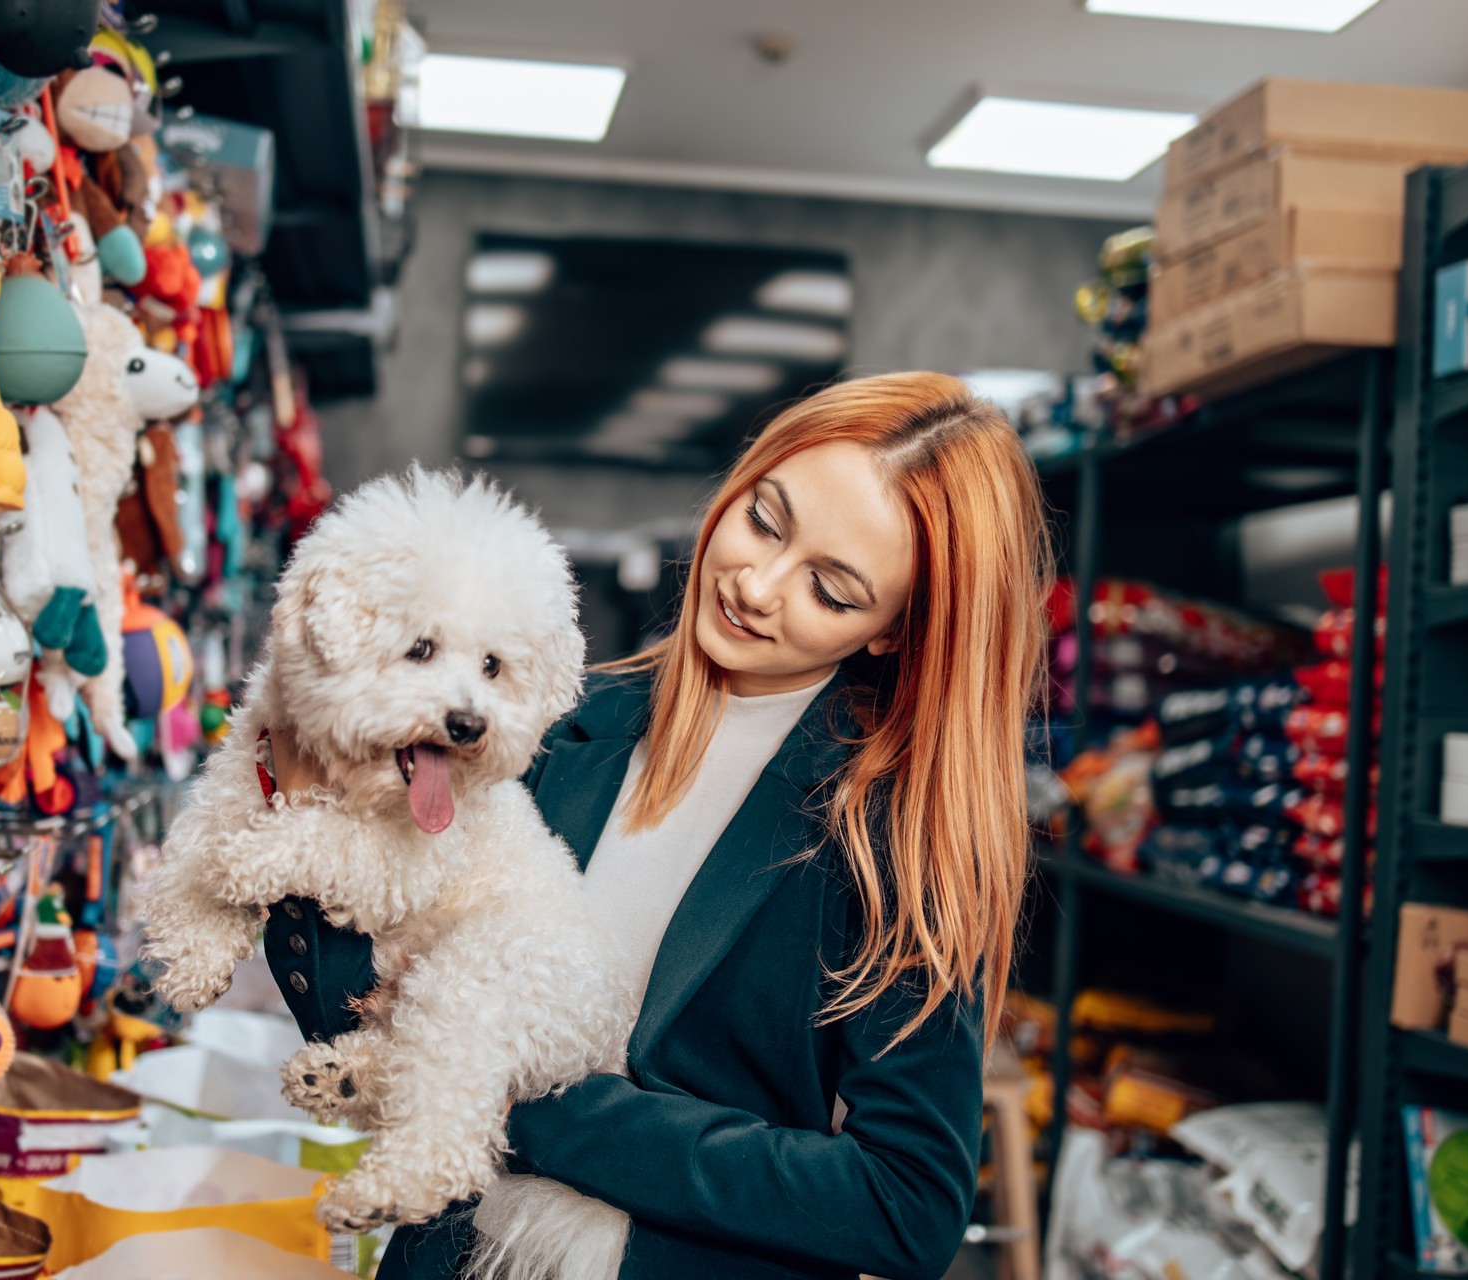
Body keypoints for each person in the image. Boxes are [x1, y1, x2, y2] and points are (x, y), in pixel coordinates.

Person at [259, 371, 1052, 1279]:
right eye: (765, 518)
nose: (757, 585)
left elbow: (905, 1202)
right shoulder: (544, 725)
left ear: (891, 632)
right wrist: (299, 794)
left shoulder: (891, 841)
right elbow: (357, 1005)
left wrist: (546, 1109)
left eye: (830, 591)